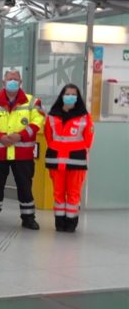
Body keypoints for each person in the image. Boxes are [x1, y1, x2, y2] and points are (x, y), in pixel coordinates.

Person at [0, 69, 45, 230]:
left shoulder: (32, 102)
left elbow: (38, 122)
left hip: (22, 154)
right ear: (3, 82)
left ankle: (28, 217)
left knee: (25, 187)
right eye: (10, 79)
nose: (13, 82)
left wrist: (20, 136)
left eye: (16, 79)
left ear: (21, 82)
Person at [44, 84, 94, 232]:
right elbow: (48, 136)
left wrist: (73, 149)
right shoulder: (52, 115)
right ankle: (59, 223)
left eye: (73, 94)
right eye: (68, 94)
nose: (70, 97)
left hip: (76, 161)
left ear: (77, 97)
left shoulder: (85, 116)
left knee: (73, 194)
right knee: (58, 193)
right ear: (62, 96)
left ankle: (71, 223)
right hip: (56, 161)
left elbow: (88, 140)